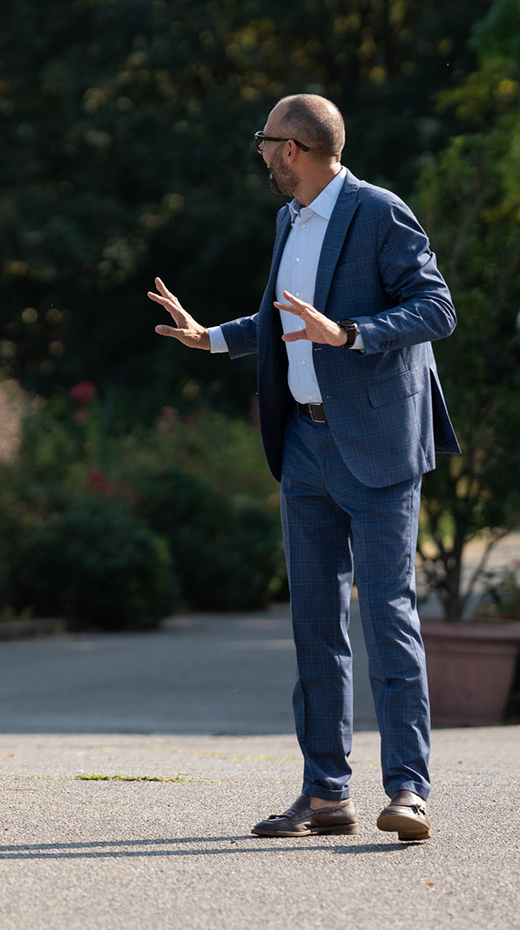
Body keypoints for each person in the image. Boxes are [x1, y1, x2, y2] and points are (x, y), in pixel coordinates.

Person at [150, 94, 456, 843]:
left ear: (292, 149)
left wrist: (349, 332)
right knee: (315, 625)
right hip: (305, 447)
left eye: (265, 141)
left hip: (379, 445)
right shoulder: (290, 219)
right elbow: (279, 321)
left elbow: (436, 308)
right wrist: (210, 337)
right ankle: (325, 794)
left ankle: (408, 790)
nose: (259, 152)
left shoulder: (378, 211)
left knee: (386, 615)